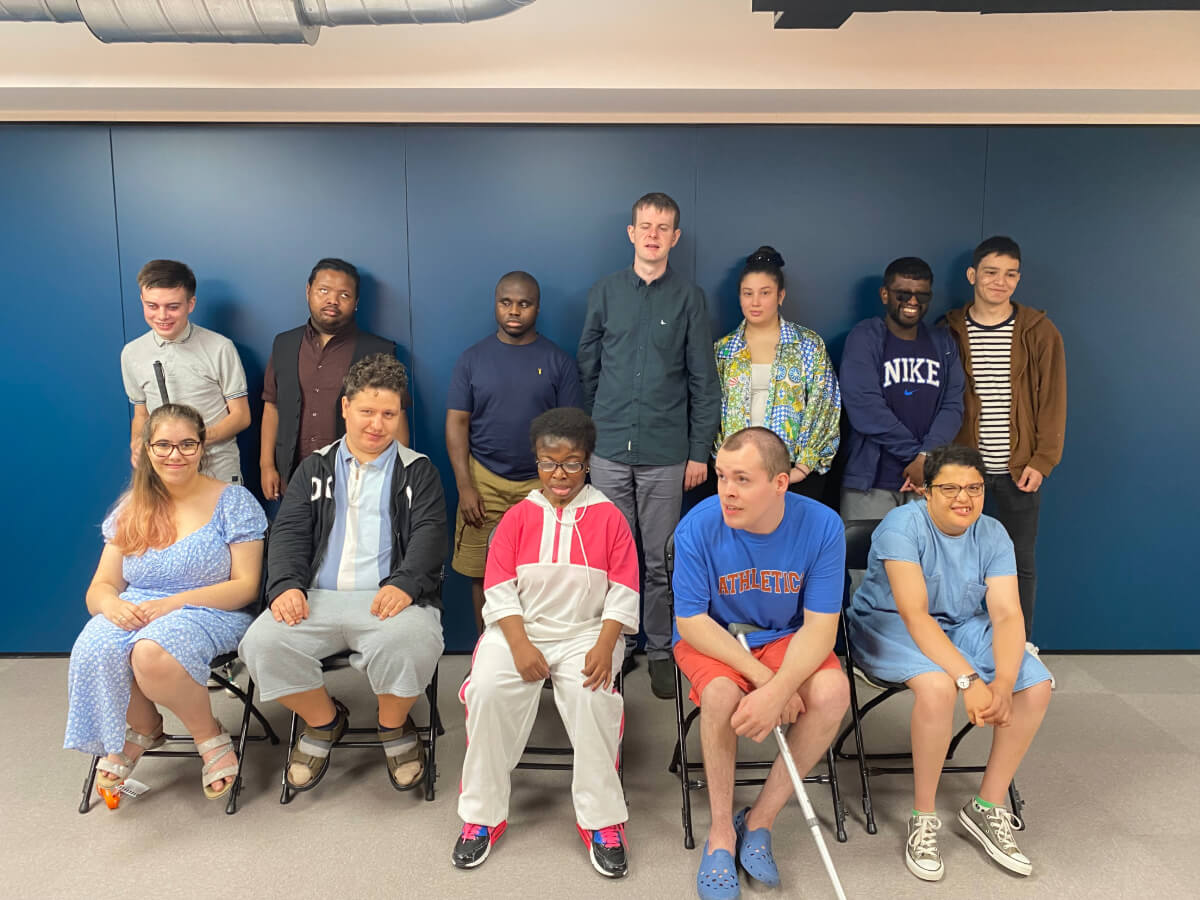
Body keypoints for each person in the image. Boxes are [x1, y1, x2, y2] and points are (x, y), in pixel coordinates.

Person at [845, 444, 1053, 882]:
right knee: (938, 687)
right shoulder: (901, 527)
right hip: (890, 626)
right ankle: (923, 817)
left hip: (963, 625)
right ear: (925, 491)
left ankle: (986, 806)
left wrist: (1003, 681)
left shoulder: (993, 533)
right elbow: (915, 615)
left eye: (974, 488)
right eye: (951, 488)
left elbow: (1007, 615)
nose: (965, 498)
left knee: (1034, 685)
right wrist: (968, 678)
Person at [239, 353, 445, 793]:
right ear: (345, 407)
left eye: (389, 413)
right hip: (317, 598)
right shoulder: (313, 468)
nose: (377, 424)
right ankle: (323, 722)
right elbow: (289, 532)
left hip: (389, 597)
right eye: (367, 411)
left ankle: (393, 727)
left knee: (411, 640)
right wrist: (285, 587)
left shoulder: (418, 471)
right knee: (261, 644)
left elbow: (430, 535)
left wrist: (407, 583)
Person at [454, 407, 638, 878]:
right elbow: (497, 590)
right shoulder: (518, 518)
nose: (560, 474)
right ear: (536, 462)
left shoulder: (609, 517)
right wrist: (518, 646)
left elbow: (624, 589)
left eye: (572, 462)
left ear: (588, 461)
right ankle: (482, 815)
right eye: (549, 462)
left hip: (587, 635)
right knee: (488, 691)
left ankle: (602, 821)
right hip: (521, 631)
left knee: (593, 697)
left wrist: (604, 645)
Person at [672, 427, 849, 899]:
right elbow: (690, 621)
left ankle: (759, 821)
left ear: (779, 484)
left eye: (742, 479)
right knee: (721, 693)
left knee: (833, 692)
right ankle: (720, 835)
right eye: (722, 477)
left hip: (786, 634)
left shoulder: (823, 526)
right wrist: (769, 684)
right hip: (717, 637)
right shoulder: (697, 525)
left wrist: (779, 686)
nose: (727, 491)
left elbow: (820, 628)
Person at [65, 403, 266, 800]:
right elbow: (100, 586)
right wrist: (111, 605)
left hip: (211, 610)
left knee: (151, 652)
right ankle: (145, 728)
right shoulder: (131, 508)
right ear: (147, 448)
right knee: (94, 646)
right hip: (139, 607)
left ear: (203, 447)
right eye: (163, 445)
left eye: (187, 444)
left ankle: (209, 736)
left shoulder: (234, 501)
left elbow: (246, 587)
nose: (175, 455)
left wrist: (171, 605)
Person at [578, 191, 720, 699]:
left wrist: (699, 451)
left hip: (666, 453)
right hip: (610, 448)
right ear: (632, 233)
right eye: (646, 225)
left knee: (660, 557)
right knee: (611, 556)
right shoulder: (606, 292)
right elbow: (588, 366)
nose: (654, 234)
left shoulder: (689, 298)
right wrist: (599, 430)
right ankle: (617, 645)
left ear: (674, 238)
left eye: (664, 227)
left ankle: (660, 647)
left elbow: (704, 380)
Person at [942, 237, 1066, 639]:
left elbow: (1053, 399)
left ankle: (1020, 644)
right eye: (992, 272)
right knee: (953, 559)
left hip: (1019, 469)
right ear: (973, 275)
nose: (1001, 282)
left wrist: (1042, 460)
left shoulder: (1039, 331)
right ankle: (953, 642)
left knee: (1018, 562)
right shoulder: (948, 329)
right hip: (962, 469)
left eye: (1011, 274)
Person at [447, 271, 584, 633]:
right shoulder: (472, 359)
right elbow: (457, 423)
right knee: (482, 572)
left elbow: (571, 433)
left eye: (524, 304)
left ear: (537, 308)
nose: (514, 310)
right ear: (496, 304)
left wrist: (559, 487)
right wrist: (465, 486)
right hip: (483, 479)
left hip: (539, 484)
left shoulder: (559, 362)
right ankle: (485, 653)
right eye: (506, 302)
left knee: (545, 574)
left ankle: (542, 653)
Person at [260, 257, 409, 501]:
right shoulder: (284, 344)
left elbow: (396, 417)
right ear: (308, 291)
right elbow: (272, 406)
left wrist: (394, 476)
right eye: (324, 290)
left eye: (344, 295)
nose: (332, 300)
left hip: (357, 481)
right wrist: (267, 466)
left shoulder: (378, 350)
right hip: (294, 478)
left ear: (356, 302)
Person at [712, 246, 841, 504]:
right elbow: (712, 413)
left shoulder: (807, 345)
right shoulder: (724, 350)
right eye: (748, 294)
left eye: (765, 293)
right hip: (739, 474)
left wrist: (802, 468)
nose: (755, 302)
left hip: (794, 473)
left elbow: (825, 407)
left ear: (781, 296)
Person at [840, 256, 965, 519]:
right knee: (866, 559)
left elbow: (953, 405)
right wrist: (917, 458)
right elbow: (865, 408)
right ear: (885, 294)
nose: (912, 302)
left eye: (921, 295)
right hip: (872, 482)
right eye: (903, 294)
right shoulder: (865, 337)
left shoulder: (943, 342)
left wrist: (926, 458)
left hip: (928, 483)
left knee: (927, 560)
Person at [120, 260, 250, 484]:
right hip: (164, 473)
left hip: (216, 471)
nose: (162, 316)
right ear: (141, 300)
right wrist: (138, 444)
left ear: (191, 304)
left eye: (173, 306)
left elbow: (241, 416)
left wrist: (191, 442)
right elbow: (141, 414)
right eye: (152, 306)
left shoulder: (220, 347)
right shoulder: (131, 353)